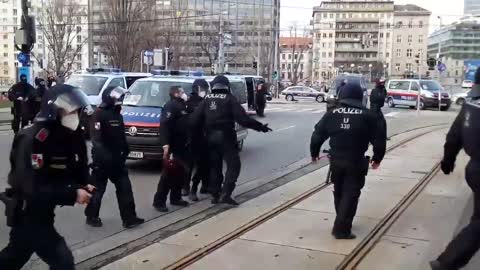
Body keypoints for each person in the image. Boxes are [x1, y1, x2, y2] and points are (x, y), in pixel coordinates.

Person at [0, 84, 94, 269]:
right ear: (55, 109)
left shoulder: (66, 134)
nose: (75, 115)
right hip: (29, 211)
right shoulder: (33, 139)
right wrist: (72, 194)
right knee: (62, 261)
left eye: (77, 110)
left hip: (43, 212)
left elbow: (69, 167)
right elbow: (33, 186)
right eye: (71, 111)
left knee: (15, 256)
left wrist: (82, 185)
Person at [310, 83, 386, 239]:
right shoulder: (368, 115)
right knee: (351, 193)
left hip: (336, 160)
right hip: (355, 159)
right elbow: (379, 139)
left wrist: (314, 153)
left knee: (339, 191)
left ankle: (342, 219)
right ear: (360, 96)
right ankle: (341, 228)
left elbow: (317, 134)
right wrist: (377, 157)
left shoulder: (332, 113)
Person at [190, 75, 272, 205]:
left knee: (215, 166)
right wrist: (261, 127)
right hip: (226, 137)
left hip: (210, 137)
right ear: (227, 86)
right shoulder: (230, 99)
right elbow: (243, 119)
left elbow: (194, 120)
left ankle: (215, 194)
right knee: (233, 165)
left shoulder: (206, 99)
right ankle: (226, 193)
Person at [430, 68, 480, 270]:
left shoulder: (470, 103)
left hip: (474, 169)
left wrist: (448, 161)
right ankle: (447, 262)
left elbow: (454, 136)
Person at [85, 86, 144, 228]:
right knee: (98, 190)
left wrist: (125, 151)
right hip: (103, 161)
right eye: (118, 98)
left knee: (125, 189)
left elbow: (121, 137)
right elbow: (97, 140)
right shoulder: (99, 114)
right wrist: (103, 158)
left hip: (118, 160)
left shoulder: (117, 114)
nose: (121, 100)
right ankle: (91, 216)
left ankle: (129, 218)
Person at [153, 86, 191, 212]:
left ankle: (176, 197)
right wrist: (165, 144)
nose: (184, 94)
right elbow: (164, 125)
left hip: (182, 145)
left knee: (180, 173)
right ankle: (159, 201)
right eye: (182, 92)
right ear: (176, 94)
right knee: (168, 175)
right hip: (173, 145)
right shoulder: (170, 106)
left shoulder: (182, 106)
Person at [186, 79, 210, 201]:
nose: (205, 91)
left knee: (201, 165)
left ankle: (197, 187)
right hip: (193, 138)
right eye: (203, 89)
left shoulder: (205, 101)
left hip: (202, 138)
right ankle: (188, 187)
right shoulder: (189, 102)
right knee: (190, 165)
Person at [369, 78, 387, 143]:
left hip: (377, 108)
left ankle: (382, 137)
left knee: (383, 123)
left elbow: (383, 97)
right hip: (374, 109)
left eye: (383, 83)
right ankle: (374, 137)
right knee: (378, 123)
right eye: (381, 83)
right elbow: (378, 99)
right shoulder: (375, 90)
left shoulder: (383, 90)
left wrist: (383, 90)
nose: (383, 84)